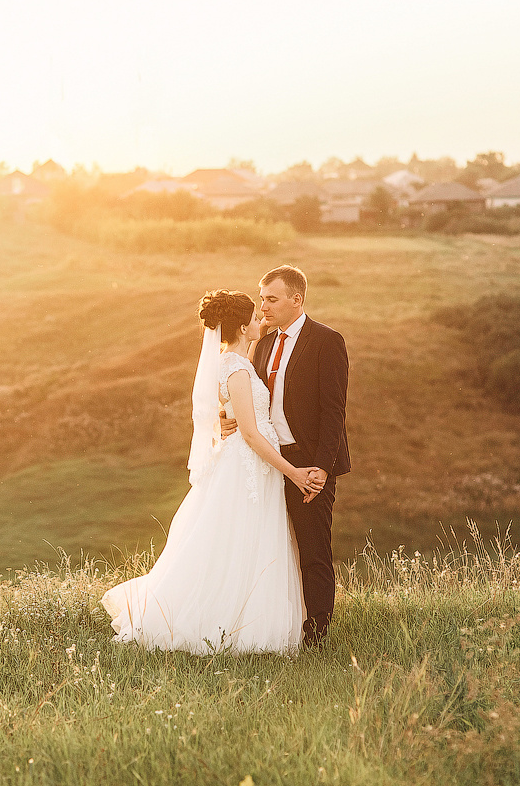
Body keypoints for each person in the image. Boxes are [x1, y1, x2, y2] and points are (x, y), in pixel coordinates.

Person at [101, 289, 316, 655]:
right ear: (243, 325)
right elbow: (249, 432)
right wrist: (293, 472)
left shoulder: (229, 362)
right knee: (239, 541)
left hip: (249, 467)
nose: (261, 319)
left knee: (238, 540)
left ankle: (242, 618)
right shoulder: (236, 368)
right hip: (249, 466)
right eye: (255, 316)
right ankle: (229, 624)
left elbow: (226, 417)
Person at [223, 265, 350, 648]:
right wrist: (226, 420)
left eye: (272, 299)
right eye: (262, 299)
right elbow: (250, 401)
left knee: (313, 549)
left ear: (297, 299)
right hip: (267, 464)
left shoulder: (327, 341)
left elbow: (333, 413)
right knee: (273, 546)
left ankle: (317, 634)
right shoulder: (261, 344)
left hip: (309, 465)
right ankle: (276, 625)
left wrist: (321, 471)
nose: (263, 307)